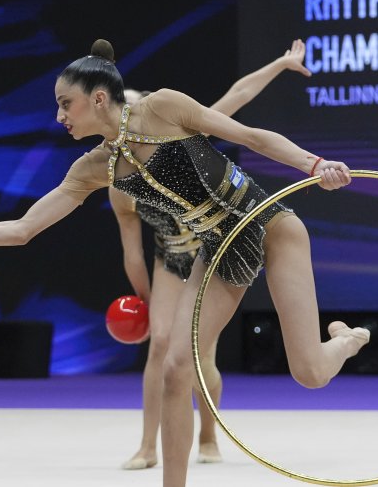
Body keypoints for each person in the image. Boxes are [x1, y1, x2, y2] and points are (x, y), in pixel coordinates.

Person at [0, 39, 370, 486]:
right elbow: (23, 229)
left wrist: (313, 164)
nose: (58, 116)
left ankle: (346, 340)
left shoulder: (162, 107)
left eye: (64, 103)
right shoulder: (93, 168)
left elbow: (251, 136)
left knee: (309, 373)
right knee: (177, 368)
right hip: (217, 249)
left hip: (268, 227)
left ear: (99, 98)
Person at [114, 41, 311, 470]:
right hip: (169, 257)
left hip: (213, 245)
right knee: (162, 349)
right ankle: (149, 446)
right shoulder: (117, 182)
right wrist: (144, 304)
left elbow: (238, 96)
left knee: (200, 358)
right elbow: (132, 254)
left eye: (132, 108)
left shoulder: (172, 128)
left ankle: (207, 435)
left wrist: (279, 63)